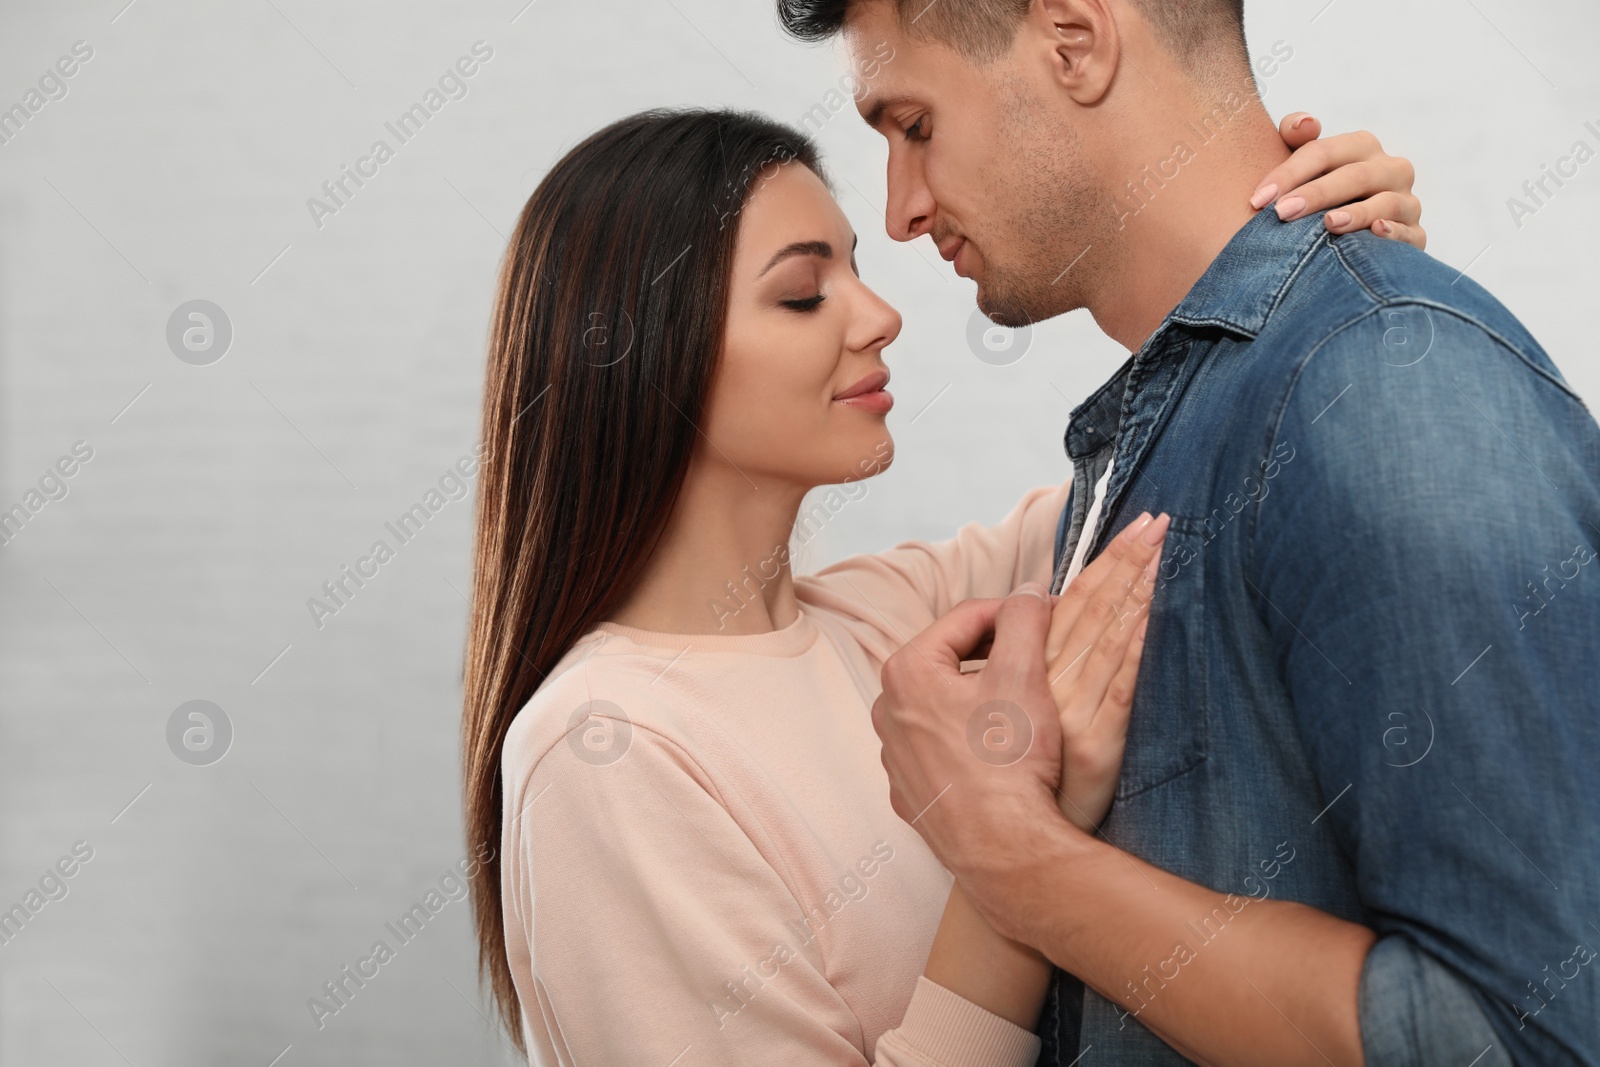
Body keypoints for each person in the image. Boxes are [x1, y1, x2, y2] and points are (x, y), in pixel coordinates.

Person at [459, 107, 1427, 1065]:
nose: (879, 317)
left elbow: (1190, 475)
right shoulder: (606, 749)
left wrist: (1324, 267)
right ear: (639, 352)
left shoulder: (890, 616)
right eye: (803, 294)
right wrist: (1013, 831)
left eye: (854, 271)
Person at [773, 0, 1600, 1064]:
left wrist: (1016, 861)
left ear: (1073, 42)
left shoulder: (1380, 383)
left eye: (914, 125)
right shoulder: (1188, 426)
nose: (900, 210)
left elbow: (1528, 1036)